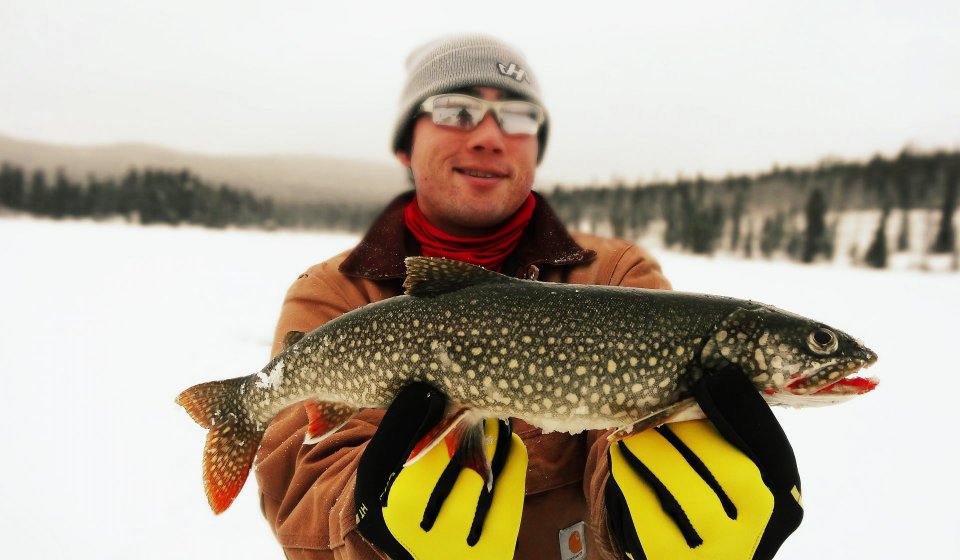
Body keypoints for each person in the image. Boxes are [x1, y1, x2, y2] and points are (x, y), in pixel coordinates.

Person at [255, 35, 802, 559]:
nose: (490, 136)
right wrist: (370, 526)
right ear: (404, 142)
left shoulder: (614, 274)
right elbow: (301, 485)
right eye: (455, 110)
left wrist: (649, 519)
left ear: (536, 147)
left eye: (518, 117)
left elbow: (620, 437)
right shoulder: (333, 292)